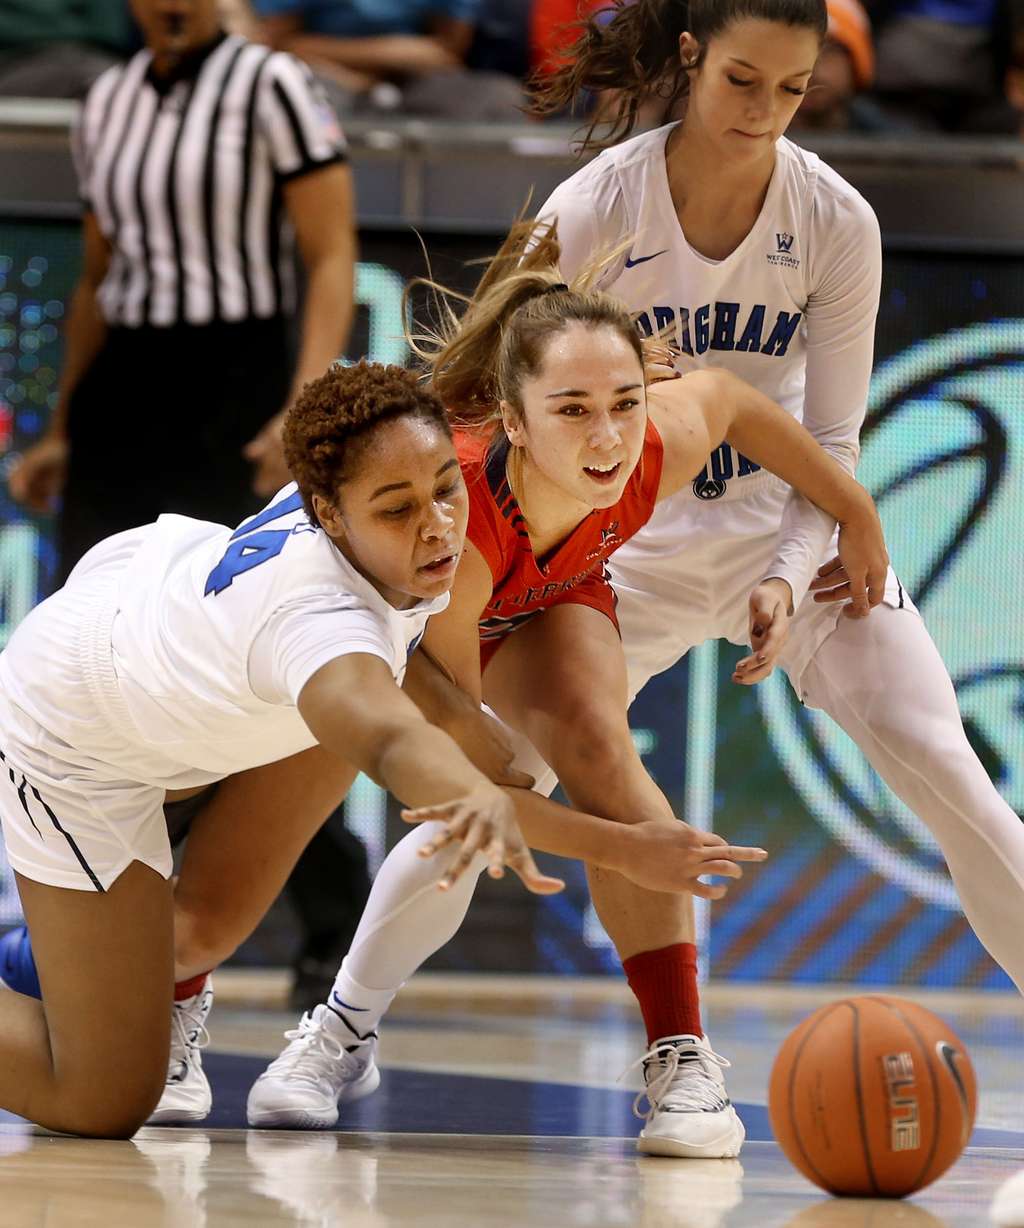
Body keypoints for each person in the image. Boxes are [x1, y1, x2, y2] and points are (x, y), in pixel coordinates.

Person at [0, 360, 774, 1139]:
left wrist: (605, 360)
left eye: (445, 486)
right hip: (76, 731)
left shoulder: (376, 471)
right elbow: (391, 734)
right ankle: (70, 960)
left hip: (158, 614)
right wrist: (586, 834)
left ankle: (71, 958)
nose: (437, 523)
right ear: (328, 515)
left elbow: (414, 683)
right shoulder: (324, 633)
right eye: (398, 510)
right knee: (103, 1100)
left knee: (192, 934)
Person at [242, 224, 887, 1147]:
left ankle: (681, 1056)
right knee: (478, 803)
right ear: (514, 422)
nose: (609, 435)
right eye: (574, 410)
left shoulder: (651, 442)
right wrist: (625, 853)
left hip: (551, 588)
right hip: (392, 631)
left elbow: (736, 402)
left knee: (604, 756)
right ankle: (341, 1029)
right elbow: (466, 787)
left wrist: (854, 510)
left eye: (625, 401)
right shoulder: (454, 526)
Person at [517, 0, 1024, 1157]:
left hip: (782, 532)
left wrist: (795, 576)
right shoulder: (595, 204)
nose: (763, 114)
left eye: (792, 91)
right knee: (498, 774)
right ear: (690, 57)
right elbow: (507, 384)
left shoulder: (833, 216)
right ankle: (343, 1019)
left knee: (952, 772)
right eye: (743, 81)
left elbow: (832, 443)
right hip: (620, 543)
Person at [7, 0, 356, 575]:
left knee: (219, 607)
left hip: (237, 378)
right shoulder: (105, 100)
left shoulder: (272, 83)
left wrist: (304, 405)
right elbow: (97, 278)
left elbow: (331, 252)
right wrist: (62, 428)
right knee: (89, 597)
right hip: (122, 378)